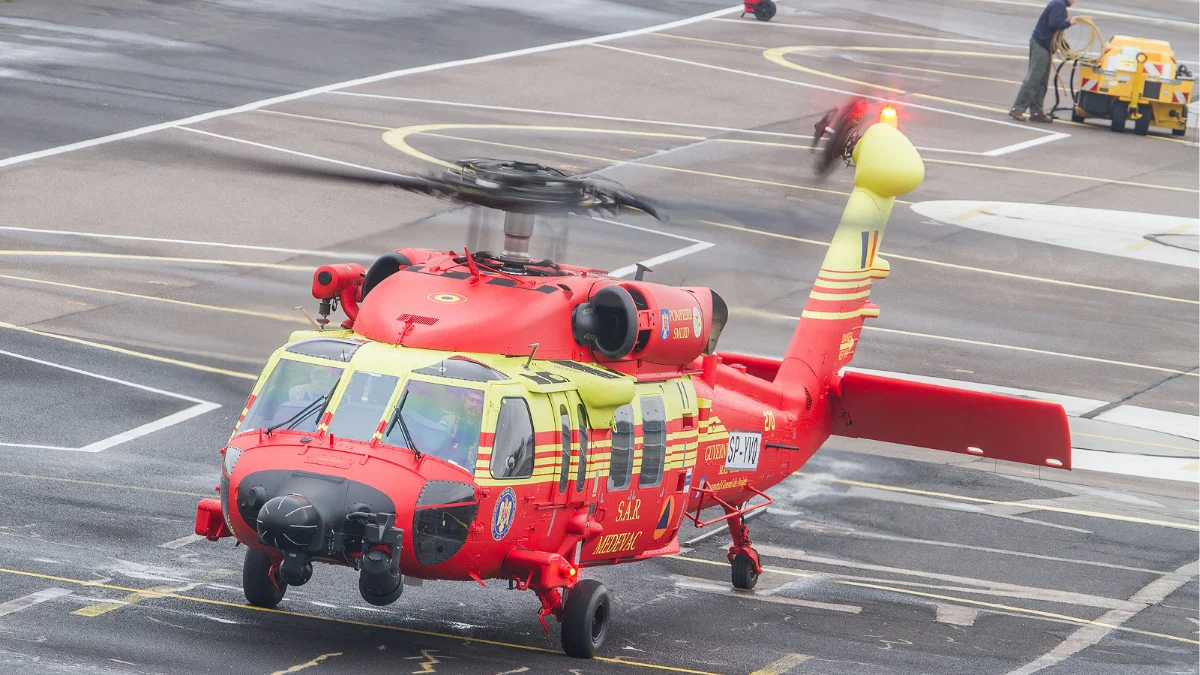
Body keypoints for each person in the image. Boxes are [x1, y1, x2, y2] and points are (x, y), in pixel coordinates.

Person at [1010, 0, 1077, 123]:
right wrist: (1069, 23)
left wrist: (1068, 49)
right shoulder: (1059, 5)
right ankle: (1017, 108)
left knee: (1042, 81)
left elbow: (1057, 34)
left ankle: (1036, 111)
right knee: (1034, 78)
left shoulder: (1060, 6)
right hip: (1041, 45)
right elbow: (1054, 24)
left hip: (1045, 47)